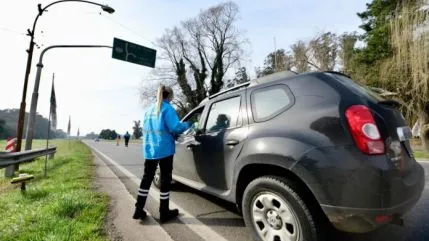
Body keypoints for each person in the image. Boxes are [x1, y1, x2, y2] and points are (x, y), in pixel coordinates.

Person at [133, 84, 191, 223]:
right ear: (169, 96)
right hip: (164, 149)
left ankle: (138, 210)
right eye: (172, 97)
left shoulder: (149, 110)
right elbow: (176, 127)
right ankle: (164, 212)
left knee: (146, 179)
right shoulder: (167, 108)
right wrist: (189, 124)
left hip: (150, 149)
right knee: (165, 180)